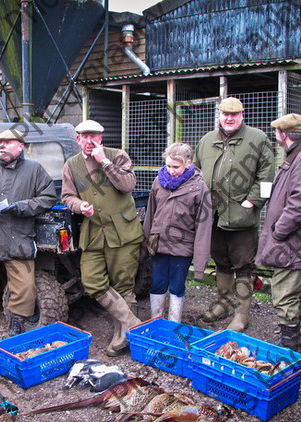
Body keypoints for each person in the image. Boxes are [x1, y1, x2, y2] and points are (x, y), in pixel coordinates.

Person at [0, 129, 57, 359]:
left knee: (24, 289)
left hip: (18, 238)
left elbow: (48, 198)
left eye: (7, 142)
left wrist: (21, 207)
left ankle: (16, 335)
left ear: (20, 146)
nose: (2, 146)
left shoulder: (34, 170)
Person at [61, 119, 143, 357]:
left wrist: (104, 162)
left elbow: (128, 184)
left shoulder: (117, 156)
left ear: (101, 138)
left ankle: (122, 337)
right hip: (94, 232)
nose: (89, 141)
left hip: (123, 232)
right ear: (77, 139)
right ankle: (133, 323)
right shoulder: (72, 164)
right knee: (92, 282)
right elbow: (67, 196)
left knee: (124, 285)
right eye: (84, 137)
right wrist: (79, 206)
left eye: (93, 136)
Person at [194, 97, 274, 331]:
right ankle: (222, 303)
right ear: (219, 115)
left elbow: (267, 174)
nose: (229, 118)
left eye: (234, 114)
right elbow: (197, 172)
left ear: (242, 116)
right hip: (213, 214)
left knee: (244, 265)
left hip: (242, 216)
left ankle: (241, 315)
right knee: (221, 261)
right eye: (225, 114)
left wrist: (253, 201)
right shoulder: (207, 140)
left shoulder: (258, 139)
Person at [256, 113, 301, 352]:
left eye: (276, 132)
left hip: (294, 242)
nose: (275, 136)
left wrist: (279, 232)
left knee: (285, 293)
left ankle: (289, 348)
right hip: (296, 241)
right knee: (292, 292)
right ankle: (293, 342)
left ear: (283, 134)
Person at [143, 143, 212, 322]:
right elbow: (150, 214)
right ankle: (155, 323)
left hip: (182, 247)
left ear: (188, 163)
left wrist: (199, 265)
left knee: (176, 286)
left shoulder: (199, 188)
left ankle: (173, 325)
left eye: (176, 167)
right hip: (158, 244)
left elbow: (204, 227)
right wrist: (144, 245)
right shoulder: (159, 181)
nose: (171, 170)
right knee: (157, 284)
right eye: (168, 166)